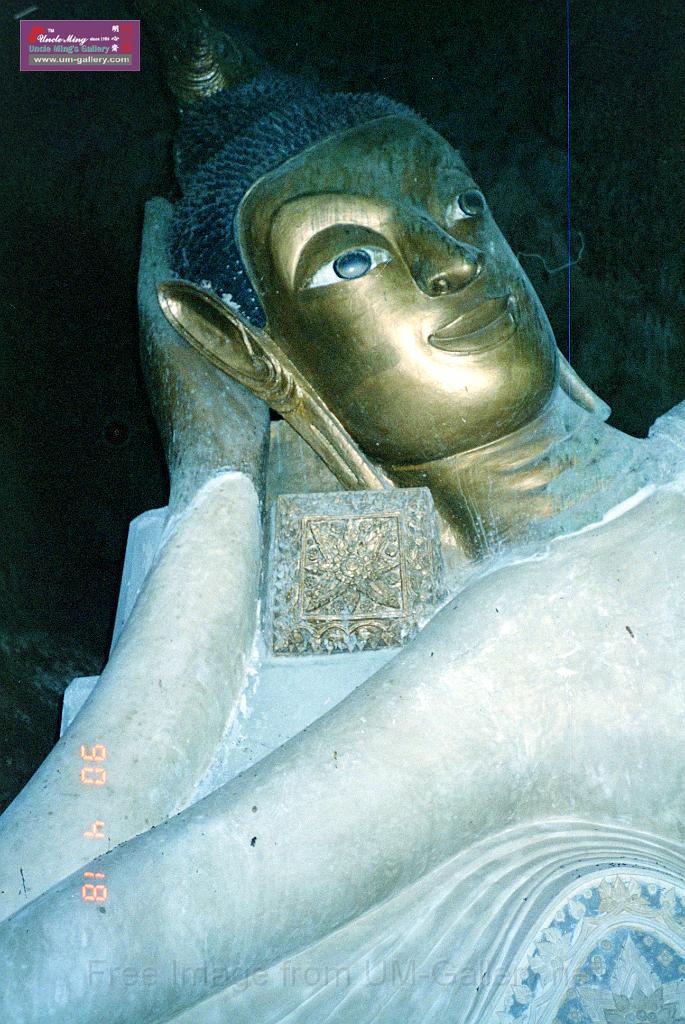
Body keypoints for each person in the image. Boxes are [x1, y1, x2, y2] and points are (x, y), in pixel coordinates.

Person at [1, 41, 685, 1024]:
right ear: (254, 354)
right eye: (350, 258)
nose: (455, 262)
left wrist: (214, 491)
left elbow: (66, 951)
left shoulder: (546, 615)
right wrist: (215, 487)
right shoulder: (479, 625)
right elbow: (55, 948)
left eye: (461, 209)